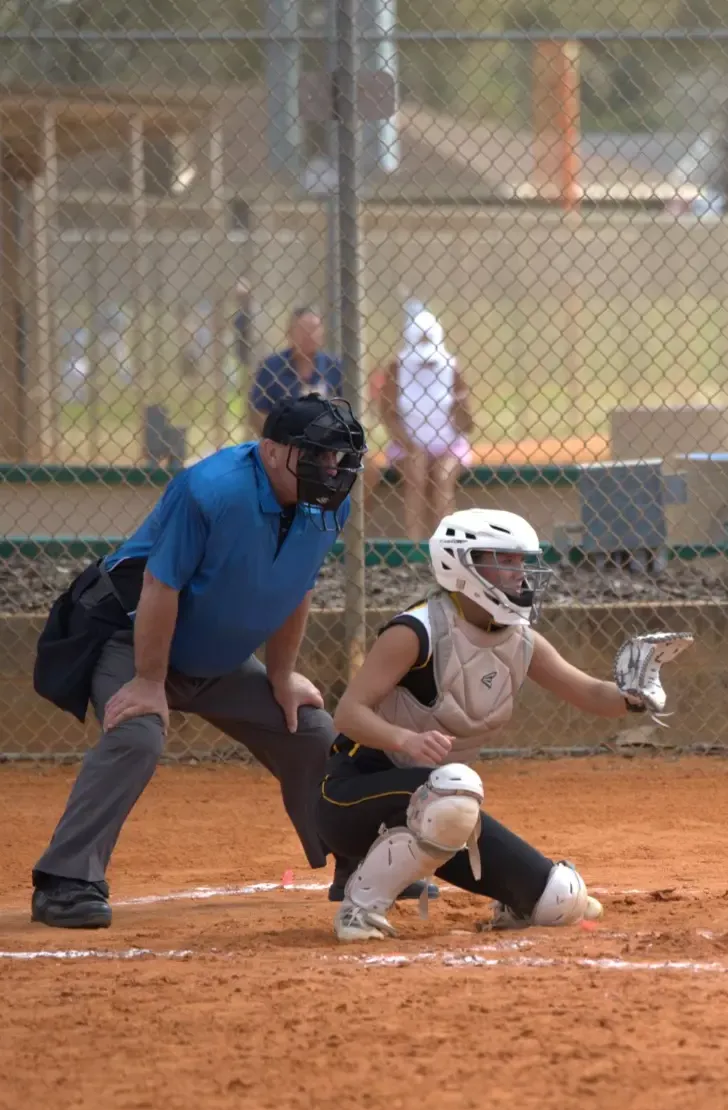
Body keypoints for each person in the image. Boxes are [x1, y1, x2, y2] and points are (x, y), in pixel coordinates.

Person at [28, 396, 366, 929]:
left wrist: (280, 675)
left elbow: (296, 587)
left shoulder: (326, 503)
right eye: (319, 455)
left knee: (309, 730)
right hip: (132, 636)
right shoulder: (211, 490)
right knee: (136, 734)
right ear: (273, 452)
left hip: (215, 656)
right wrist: (148, 680)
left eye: (339, 459)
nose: (332, 470)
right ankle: (66, 880)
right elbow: (160, 585)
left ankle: (360, 865)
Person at [319, 508, 691, 942]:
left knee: (560, 900)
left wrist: (634, 696)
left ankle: (506, 887)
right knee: (454, 788)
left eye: (522, 562)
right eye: (505, 560)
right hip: (350, 797)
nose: (519, 573)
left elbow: (588, 692)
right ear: (462, 563)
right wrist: (407, 739)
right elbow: (347, 714)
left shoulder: (518, 637)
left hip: (438, 809)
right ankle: (360, 912)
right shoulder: (415, 631)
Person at [370, 306, 474, 541]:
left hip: (449, 444)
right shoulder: (397, 367)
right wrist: (409, 444)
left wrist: (460, 403)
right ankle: (414, 547)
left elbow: (468, 426)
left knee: (442, 480)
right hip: (408, 443)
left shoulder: (451, 367)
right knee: (415, 478)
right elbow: (388, 415)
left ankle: (446, 546)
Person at [248, 308, 342, 437]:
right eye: (302, 330)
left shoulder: (334, 366)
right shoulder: (271, 366)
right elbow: (259, 411)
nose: (309, 335)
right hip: (284, 440)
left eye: (314, 329)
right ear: (290, 333)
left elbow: (345, 405)